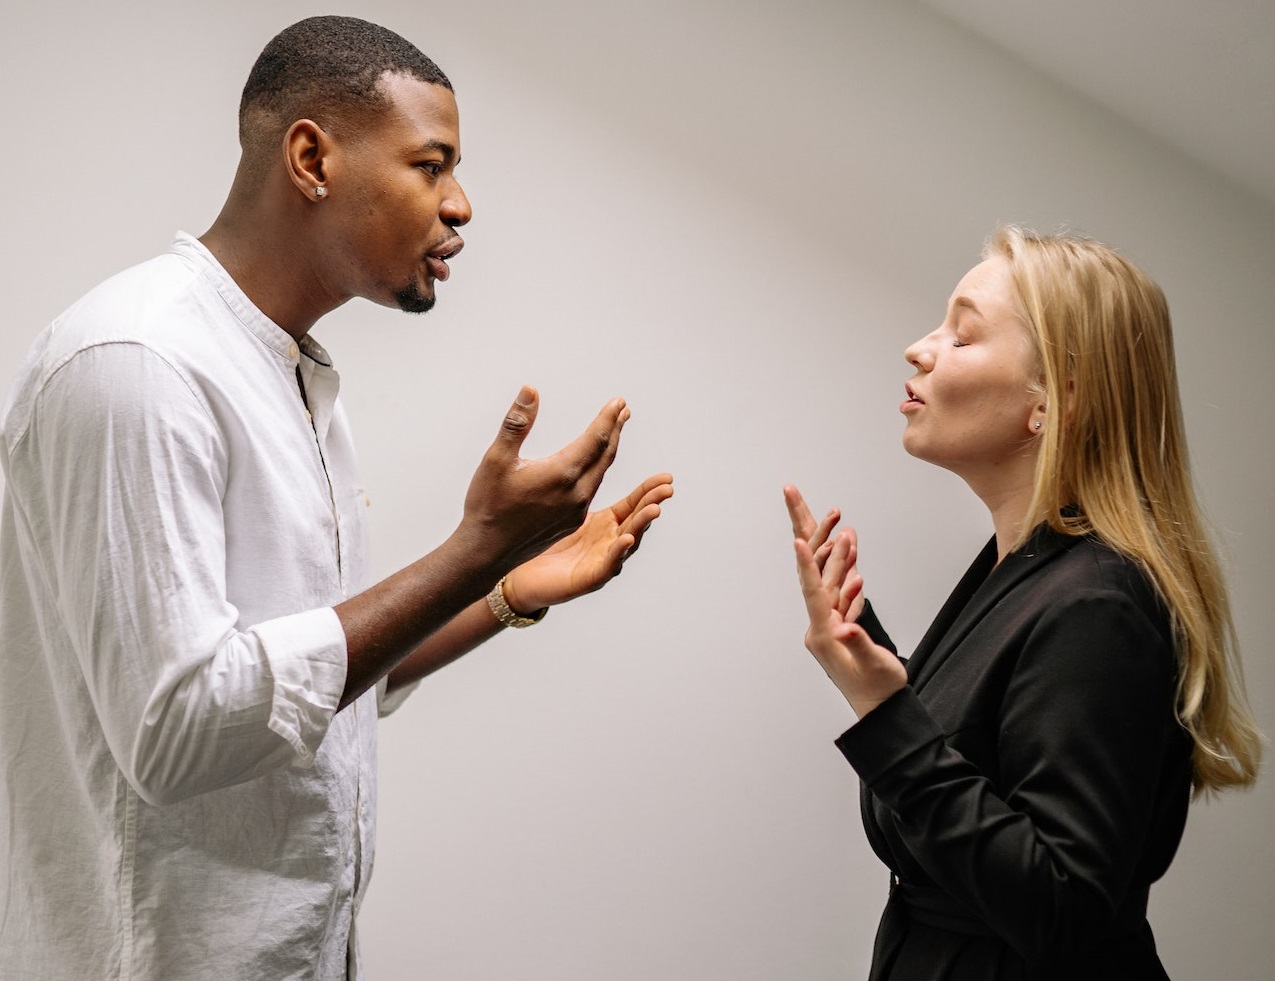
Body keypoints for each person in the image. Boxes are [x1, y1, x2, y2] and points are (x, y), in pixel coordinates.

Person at [0, 16, 672, 980]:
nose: (462, 205)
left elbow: (325, 686)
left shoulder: (288, 377)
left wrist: (505, 589)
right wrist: (472, 552)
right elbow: (179, 725)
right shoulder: (138, 361)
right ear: (312, 157)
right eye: (431, 165)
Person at [784, 226, 1261, 980]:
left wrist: (883, 713)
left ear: (1056, 398)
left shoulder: (1100, 602)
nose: (919, 347)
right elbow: (980, 760)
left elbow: (1060, 906)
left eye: (962, 335)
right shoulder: (1025, 570)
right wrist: (864, 651)